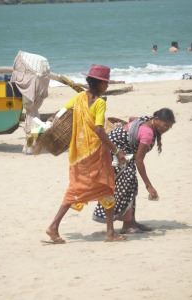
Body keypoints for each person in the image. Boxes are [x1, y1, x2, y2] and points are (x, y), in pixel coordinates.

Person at [45, 64, 127, 244]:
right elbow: (99, 129)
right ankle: (53, 226)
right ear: (99, 84)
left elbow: (61, 112)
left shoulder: (79, 97)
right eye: (105, 83)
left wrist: (49, 121)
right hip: (95, 154)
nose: (107, 86)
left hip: (78, 152)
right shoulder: (100, 103)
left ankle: (110, 232)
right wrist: (116, 150)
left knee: (103, 188)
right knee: (81, 189)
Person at [92, 108, 176, 233]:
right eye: (165, 125)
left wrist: (131, 131)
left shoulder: (147, 119)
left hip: (121, 147)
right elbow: (139, 161)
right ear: (157, 119)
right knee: (128, 180)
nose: (166, 129)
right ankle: (127, 225)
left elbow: (132, 119)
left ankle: (131, 221)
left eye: (169, 127)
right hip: (114, 149)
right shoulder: (148, 133)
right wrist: (149, 186)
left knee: (131, 182)